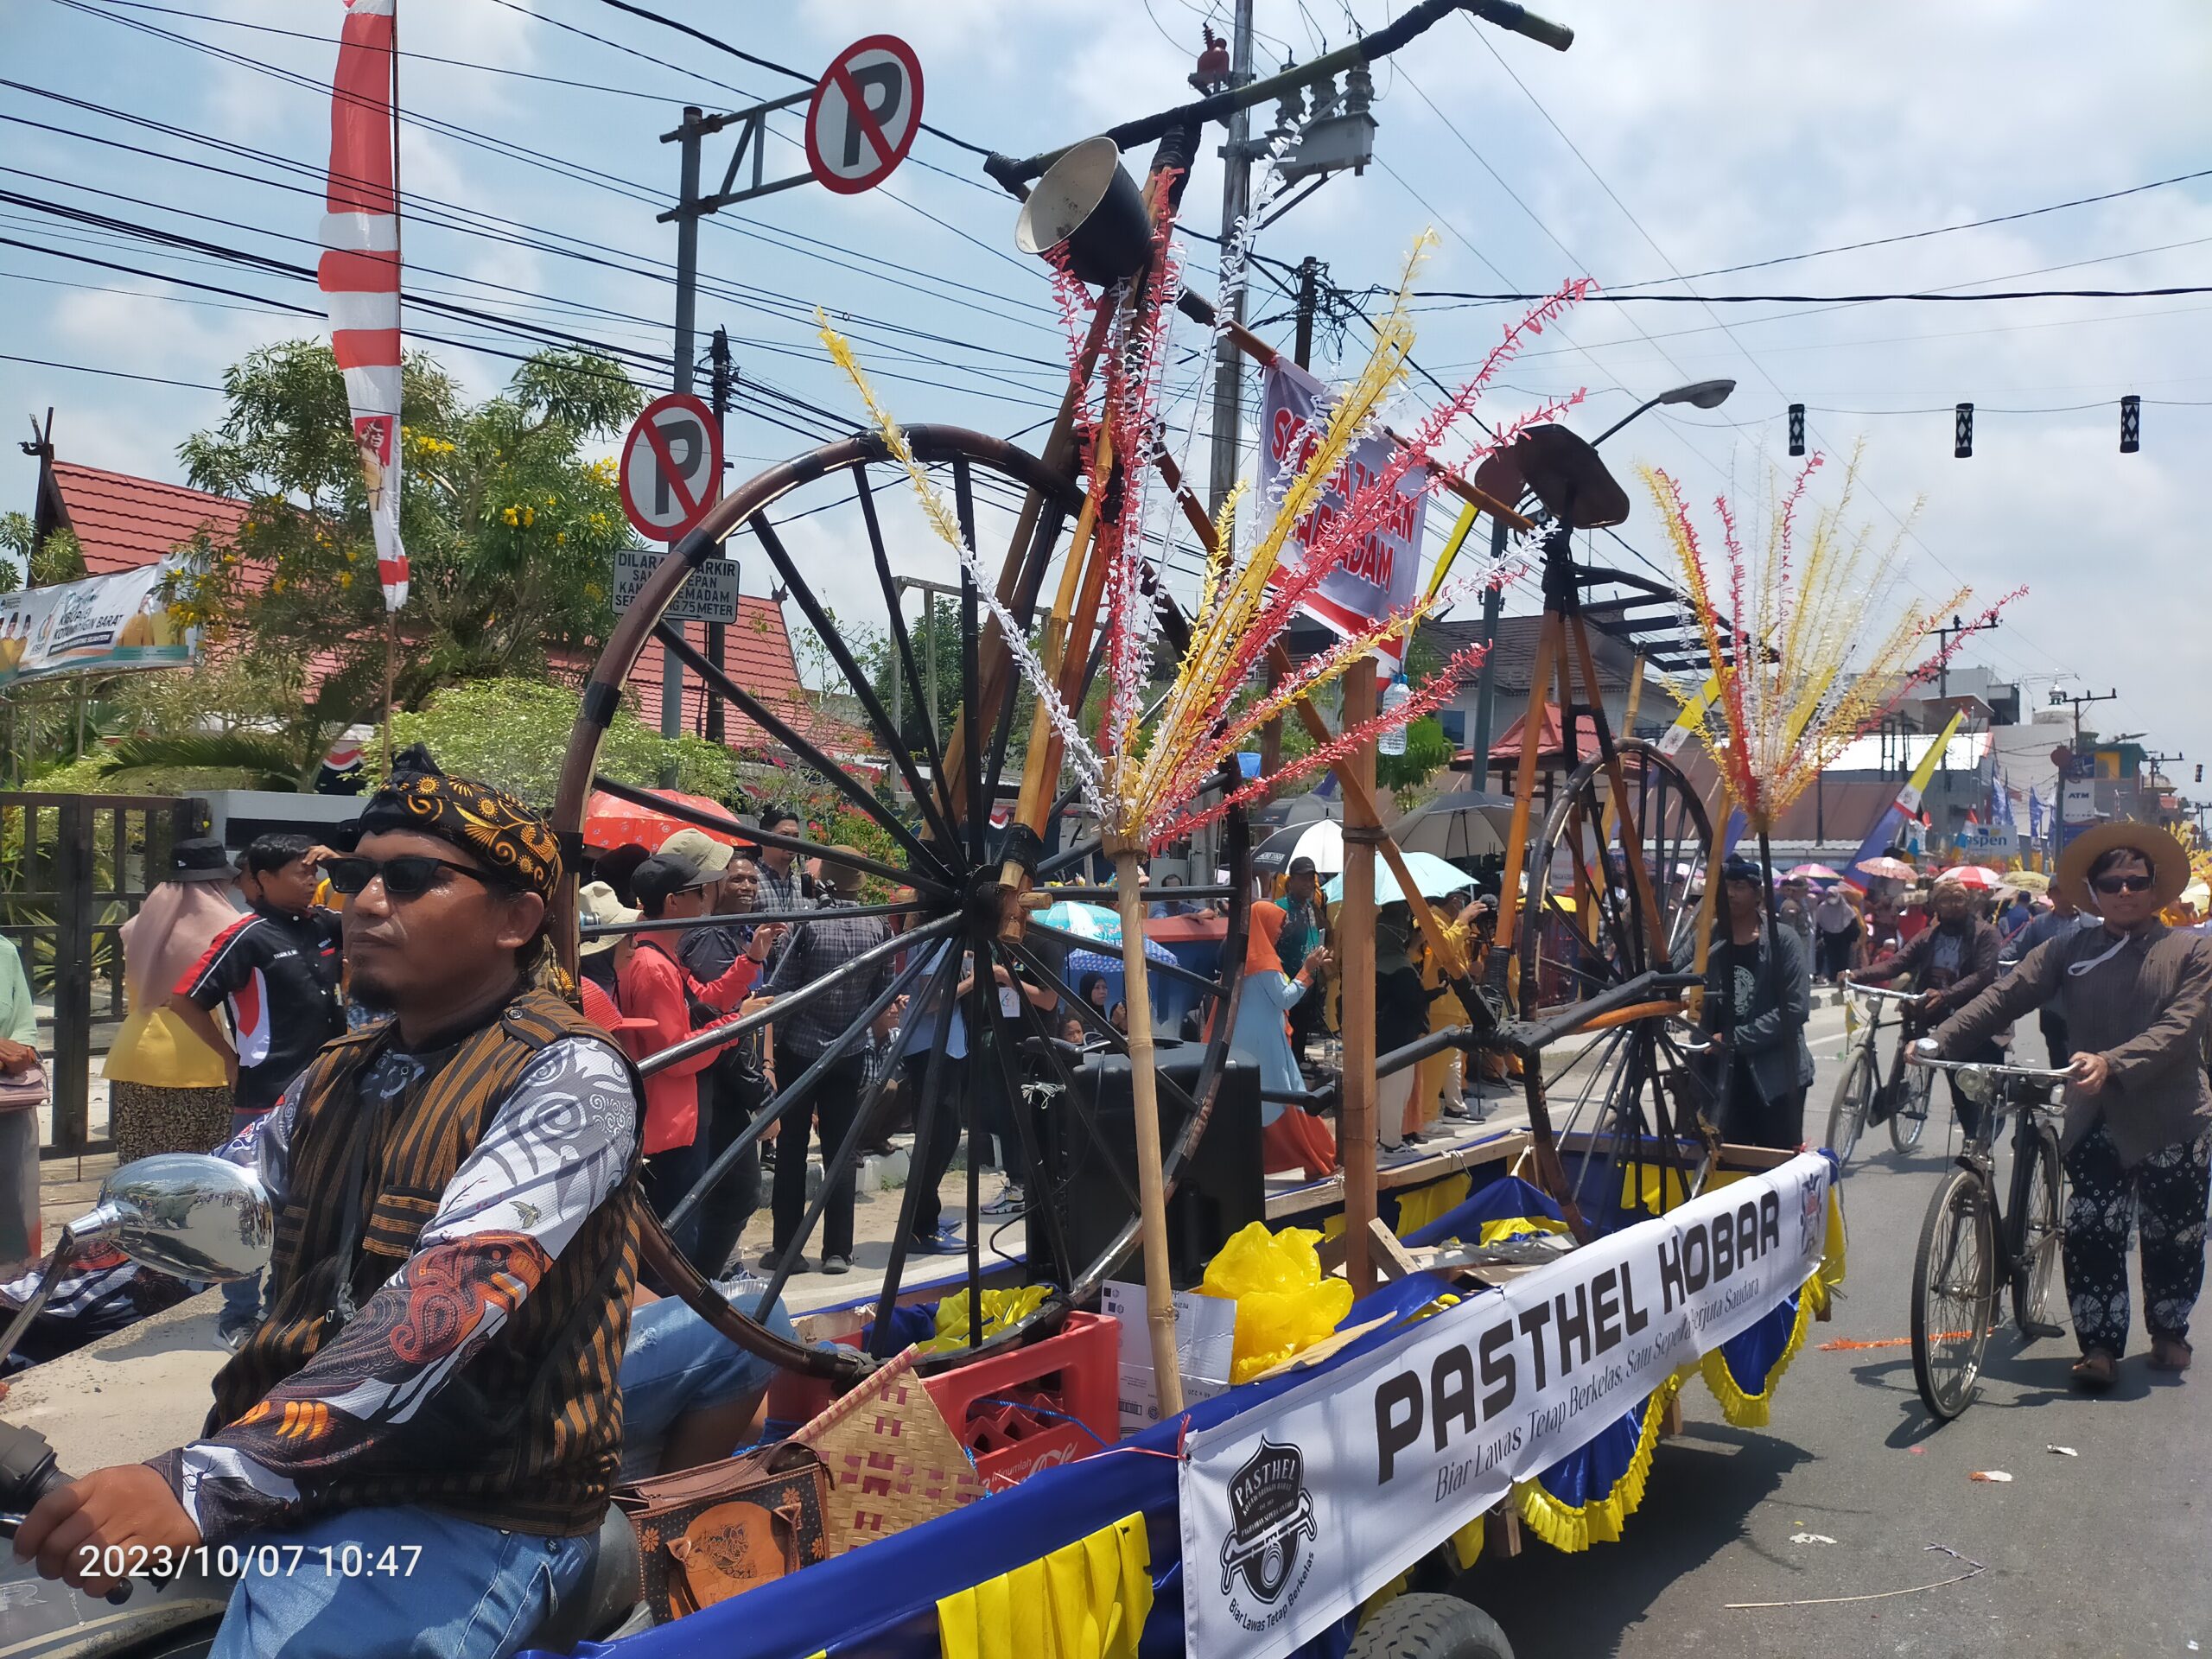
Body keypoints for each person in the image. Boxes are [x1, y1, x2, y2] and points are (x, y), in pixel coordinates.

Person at [14, 756, 642, 1656]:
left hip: (464, 1505)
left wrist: (203, 1481)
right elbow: (181, 1231)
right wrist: (18, 1313)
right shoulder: (338, 1072)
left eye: (412, 878)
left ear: (517, 919)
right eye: (351, 876)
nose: (365, 901)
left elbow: (445, 1307)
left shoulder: (568, 1076)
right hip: (290, 1479)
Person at [1922, 821, 2211, 1389]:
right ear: (2094, 891)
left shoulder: (2190, 952)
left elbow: (2180, 1030)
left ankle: (2170, 1330)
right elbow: (2007, 993)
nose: (2124, 891)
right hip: (2095, 1115)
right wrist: (1941, 1038)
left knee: (2175, 1235)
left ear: (2155, 889)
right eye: (2112, 882)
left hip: (2174, 1118)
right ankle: (2100, 1345)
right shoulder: (2067, 949)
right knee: (2091, 1228)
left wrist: (2113, 1062)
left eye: (2136, 880)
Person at [168, 833, 345, 1346]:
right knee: (249, 1208)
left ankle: (284, 1307)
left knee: (312, 1206)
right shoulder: (248, 936)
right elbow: (185, 1000)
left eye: (315, 871)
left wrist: (345, 862)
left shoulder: (327, 926)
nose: (312, 880)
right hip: (265, 1095)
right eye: (301, 871)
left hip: (329, 1089)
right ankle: (238, 1312)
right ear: (262, 880)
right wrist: (229, 1057)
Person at [621, 855, 775, 1272]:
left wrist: (751, 960)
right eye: (698, 891)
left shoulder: (662, 956)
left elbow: (704, 1000)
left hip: (678, 1118)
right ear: (674, 902)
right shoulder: (653, 966)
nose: (707, 897)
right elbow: (674, 1054)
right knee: (675, 1247)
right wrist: (736, 1025)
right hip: (667, 1125)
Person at [758, 848, 893, 1277]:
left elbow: (782, 990)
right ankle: (838, 1250)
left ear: (824, 881)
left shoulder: (811, 923)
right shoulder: (879, 926)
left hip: (800, 1049)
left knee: (793, 1151)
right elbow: (884, 994)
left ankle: (788, 1249)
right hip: (849, 1050)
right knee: (841, 1152)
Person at [105, 837, 242, 1166]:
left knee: (143, 1168)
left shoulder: (140, 926)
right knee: (199, 1172)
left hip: (135, 1055)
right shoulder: (229, 929)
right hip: (201, 1058)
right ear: (217, 881)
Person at [1847, 874, 2004, 1136]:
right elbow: (1896, 963)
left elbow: (1982, 976)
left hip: (1972, 1013)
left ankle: (1978, 1135)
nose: (1953, 905)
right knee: (1912, 1040)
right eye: (1945, 900)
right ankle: (1896, 1095)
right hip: (1932, 1010)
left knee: (1967, 1081)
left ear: (1968, 903)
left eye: (1958, 899)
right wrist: (1855, 975)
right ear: (1934, 905)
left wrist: (1946, 995)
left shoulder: (1985, 934)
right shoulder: (1927, 936)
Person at [1680, 856, 1815, 1149]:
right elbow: (1670, 975)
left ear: (1757, 894)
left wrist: (1733, 1039)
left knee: (1773, 1165)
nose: (1729, 894)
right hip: (1716, 1072)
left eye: (1739, 886)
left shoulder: (1784, 941)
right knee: (1723, 1162)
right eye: (1724, 886)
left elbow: (1795, 1009)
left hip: (1775, 1076)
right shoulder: (1706, 937)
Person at [1231, 901, 1332, 1179]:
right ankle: (1309, 1155)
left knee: (1265, 1096)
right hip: (1265, 1040)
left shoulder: (1242, 956)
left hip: (1247, 1037)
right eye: (1277, 926)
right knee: (1288, 1093)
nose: (1279, 932)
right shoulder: (1263, 961)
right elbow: (1285, 998)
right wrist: (1307, 969)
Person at [2000, 891, 2098, 1065]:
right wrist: (1994, 960)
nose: (2064, 896)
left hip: (2085, 1001)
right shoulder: (2039, 924)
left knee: (2083, 1053)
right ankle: (2062, 1083)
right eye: (2058, 891)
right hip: (2050, 999)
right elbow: (2016, 949)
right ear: (2050, 895)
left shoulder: (2092, 923)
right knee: (2055, 1048)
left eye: (2067, 889)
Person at [1375, 904, 1442, 1154]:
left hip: (1378, 1036)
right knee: (1397, 1092)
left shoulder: (1373, 961)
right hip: (1399, 1038)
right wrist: (1433, 993)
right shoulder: (1400, 967)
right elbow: (1411, 1002)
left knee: (1380, 1095)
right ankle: (1391, 1143)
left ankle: (1377, 1141)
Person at [0, 928, 41, 1267]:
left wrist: (20, 1052)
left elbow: (25, 1036)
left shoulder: (5, 952)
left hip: (7, 1105)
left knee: (13, 1205)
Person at [1279, 855, 1331, 1062]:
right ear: (1291, 881)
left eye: (1311, 878)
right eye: (1303, 878)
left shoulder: (1310, 908)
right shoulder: (1280, 908)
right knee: (1286, 1040)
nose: (1308, 883)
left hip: (1309, 984)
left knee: (1300, 1038)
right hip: (1287, 984)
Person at [752, 802, 813, 923]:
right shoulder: (749, 880)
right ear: (763, 839)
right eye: (784, 835)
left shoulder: (803, 884)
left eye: (796, 836)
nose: (791, 842)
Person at [1811, 882, 1863, 983]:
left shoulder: (1846, 909)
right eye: (1829, 896)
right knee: (1831, 961)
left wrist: (1854, 939)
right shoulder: (1822, 908)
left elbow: (1853, 925)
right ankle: (1833, 981)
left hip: (1844, 940)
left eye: (1833, 896)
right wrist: (1817, 938)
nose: (1831, 898)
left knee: (1844, 962)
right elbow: (1819, 924)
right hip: (1829, 940)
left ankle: (1845, 981)